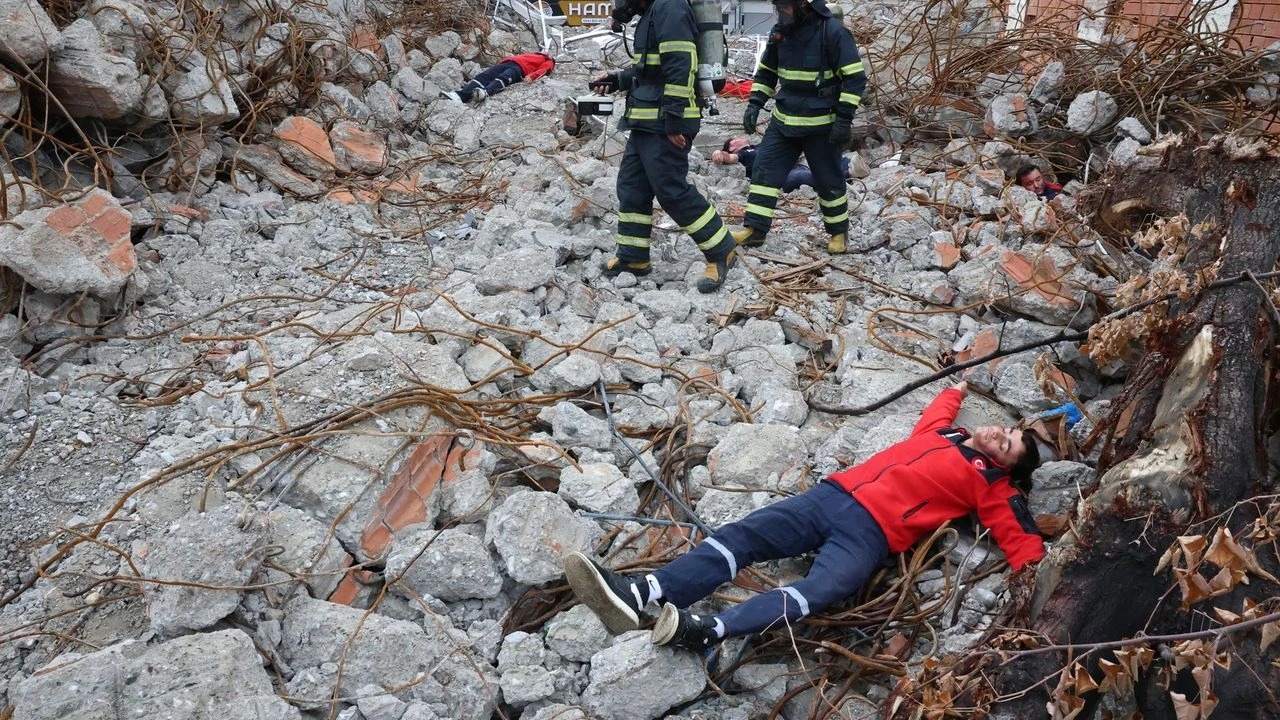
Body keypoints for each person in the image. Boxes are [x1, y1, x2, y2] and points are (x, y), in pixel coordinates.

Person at [564, 381, 1044, 653]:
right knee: (742, 536)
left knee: (816, 592)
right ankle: (644, 593)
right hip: (831, 496)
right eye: (1008, 430)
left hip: (871, 536)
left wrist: (1040, 593)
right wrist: (954, 388)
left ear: (1005, 467)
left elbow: (1022, 541)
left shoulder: (993, 488)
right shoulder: (945, 436)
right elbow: (934, 416)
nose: (1000, 434)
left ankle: (705, 631)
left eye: (1008, 445)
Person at [589, 0, 739, 293]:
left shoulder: (670, 7)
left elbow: (681, 65)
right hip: (645, 120)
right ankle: (633, 257)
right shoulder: (651, 14)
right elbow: (651, 71)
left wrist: (674, 119)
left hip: (665, 122)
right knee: (632, 187)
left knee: (670, 190)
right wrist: (618, 79)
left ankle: (721, 249)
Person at [730, 0, 866, 255]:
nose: (781, 11)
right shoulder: (780, 32)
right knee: (764, 170)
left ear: (804, 5)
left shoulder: (833, 32)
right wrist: (755, 103)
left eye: (785, 5)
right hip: (784, 121)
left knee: (828, 180)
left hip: (822, 125)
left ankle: (838, 232)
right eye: (777, 5)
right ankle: (755, 230)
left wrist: (844, 119)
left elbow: (855, 78)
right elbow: (767, 72)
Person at [711, 137, 855, 193]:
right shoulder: (744, 154)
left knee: (837, 159)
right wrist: (718, 153)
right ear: (732, 146)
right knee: (805, 176)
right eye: (735, 139)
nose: (740, 137)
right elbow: (730, 158)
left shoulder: (759, 146)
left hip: (793, 166)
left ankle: (850, 168)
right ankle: (846, 176)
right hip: (782, 177)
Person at [442, 52, 556, 104]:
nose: (546, 51)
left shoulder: (548, 61)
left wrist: (532, 76)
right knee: (483, 76)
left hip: (520, 69)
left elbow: (544, 70)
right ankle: (461, 95)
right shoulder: (537, 54)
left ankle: (485, 93)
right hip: (508, 63)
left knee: (504, 78)